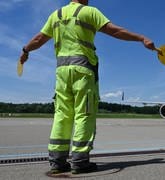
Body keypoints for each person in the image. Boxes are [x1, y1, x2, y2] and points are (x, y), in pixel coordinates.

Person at [19, 0, 156, 174]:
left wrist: (25, 51)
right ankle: (80, 161)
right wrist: (141, 38)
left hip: (61, 73)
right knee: (84, 113)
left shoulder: (56, 15)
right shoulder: (89, 12)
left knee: (62, 115)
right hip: (82, 70)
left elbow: (39, 38)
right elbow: (115, 30)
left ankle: (57, 162)